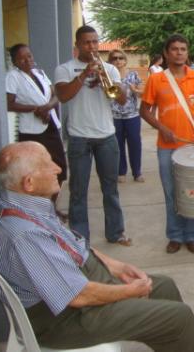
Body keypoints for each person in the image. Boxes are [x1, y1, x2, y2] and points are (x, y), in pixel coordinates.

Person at [0, 142, 194, 352]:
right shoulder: (24, 234)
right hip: (67, 318)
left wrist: (117, 267)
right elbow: (78, 296)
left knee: (164, 287)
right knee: (179, 318)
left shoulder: (19, 205)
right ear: (29, 183)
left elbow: (72, 244)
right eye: (48, 165)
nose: (58, 169)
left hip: (77, 288)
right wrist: (130, 291)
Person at [54, 25, 131, 245]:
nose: (92, 46)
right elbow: (62, 96)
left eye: (95, 42)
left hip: (106, 135)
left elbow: (122, 100)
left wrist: (106, 82)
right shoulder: (65, 69)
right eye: (87, 42)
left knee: (111, 189)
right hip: (79, 137)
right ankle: (79, 237)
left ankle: (115, 232)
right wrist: (84, 75)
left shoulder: (110, 69)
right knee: (78, 190)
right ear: (77, 45)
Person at [140, 34, 194, 254]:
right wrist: (161, 127)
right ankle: (174, 235)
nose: (179, 52)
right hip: (166, 147)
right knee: (171, 193)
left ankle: (191, 236)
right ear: (166, 53)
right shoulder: (156, 79)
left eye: (183, 49)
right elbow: (143, 110)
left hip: (192, 146)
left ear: (187, 53)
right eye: (174, 49)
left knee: (191, 192)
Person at [5, 43, 68, 219]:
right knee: (35, 173)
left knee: (60, 168)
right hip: (32, 132)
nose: (27, 60)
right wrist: (35, 109)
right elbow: (9, 104)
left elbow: (57, 95)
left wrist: (47, 107)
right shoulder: (12, 76)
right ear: (15, 61)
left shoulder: (40, 73)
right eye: (22, 58)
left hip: (51, 126)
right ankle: (38, 213)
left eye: (29, 56)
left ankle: (51, 208)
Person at [108, 49, 145, 183]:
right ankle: (121, 172)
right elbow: (109, 95)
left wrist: (136, 90)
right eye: (114, 58)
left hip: (132, 116)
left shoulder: (133, 75)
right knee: (118, 145)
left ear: (125, 60)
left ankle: (137, 172)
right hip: (115, 116)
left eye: (120, 58)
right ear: (110, 61)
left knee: (135, 144)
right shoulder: (109, 76)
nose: (118, 61)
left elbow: (142, 92)